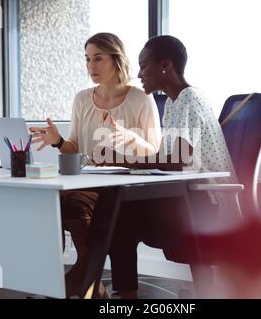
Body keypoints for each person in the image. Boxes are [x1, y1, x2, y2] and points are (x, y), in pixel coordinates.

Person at [29, 32, 162, 298]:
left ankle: (84, 277)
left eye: (98, 59)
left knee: (76, 204)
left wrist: (132, 139)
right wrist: (58, 141)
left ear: (116, 60)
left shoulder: (141, 99)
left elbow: (155, 152)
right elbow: (75, 148)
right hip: (89, 181)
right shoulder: (81, 99)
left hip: (128, 186)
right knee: (48, 202)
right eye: (87, 59)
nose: (91, 67)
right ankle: (89, 280)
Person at [103, 35, 237, 298]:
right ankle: (124, 293)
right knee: (120, 214)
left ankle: (122, 295)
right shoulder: (173, 103)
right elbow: (167, 158)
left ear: (165, 65)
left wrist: (122, 161)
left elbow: (178, 161)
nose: (139, 74)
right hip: (187, 196)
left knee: (120, 214)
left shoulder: (188, 98)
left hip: (203, 203)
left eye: (143, 65)